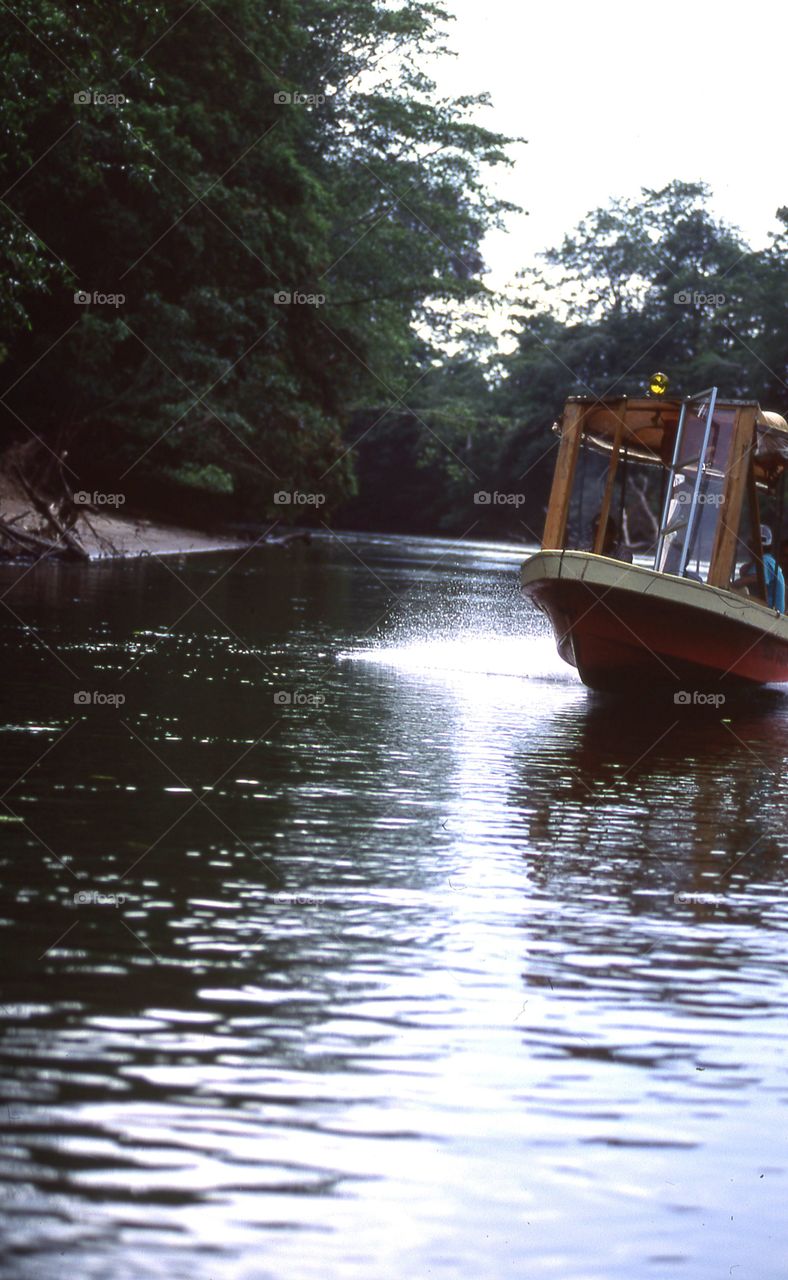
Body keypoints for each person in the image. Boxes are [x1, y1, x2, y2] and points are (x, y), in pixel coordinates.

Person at [737, 525, 785, 612]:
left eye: (750, 545)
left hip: (769, 614)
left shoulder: (764, 560)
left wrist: (731, 585)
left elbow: (756, 578)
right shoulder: (769, 561)